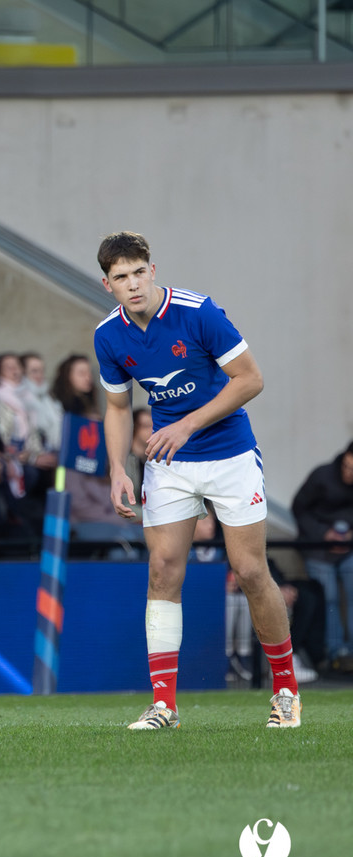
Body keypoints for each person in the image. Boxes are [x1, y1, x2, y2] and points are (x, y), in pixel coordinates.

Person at [92, 231, 298, 730]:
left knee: (250, 571)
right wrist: (118, 467)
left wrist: (185, 424)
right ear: (108, 285)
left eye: (140, 272)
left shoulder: (199, 311)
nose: (133, 284)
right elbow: (118, 407)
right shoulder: (107, 336)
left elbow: (251, 379)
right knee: (163, 570)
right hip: (169, 462)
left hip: (228, 453)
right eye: (122, 277)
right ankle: (164, 706)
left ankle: (287, 692)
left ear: (153, 270)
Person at [291, 442, 353, 670]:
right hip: (317, 547)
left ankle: (350, 652)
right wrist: (324, 534)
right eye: (347, 466)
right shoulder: (322, 475)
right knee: (329, 597)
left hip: (349, 549)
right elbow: (299, 508)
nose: (349, 473)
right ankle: (334, 654)